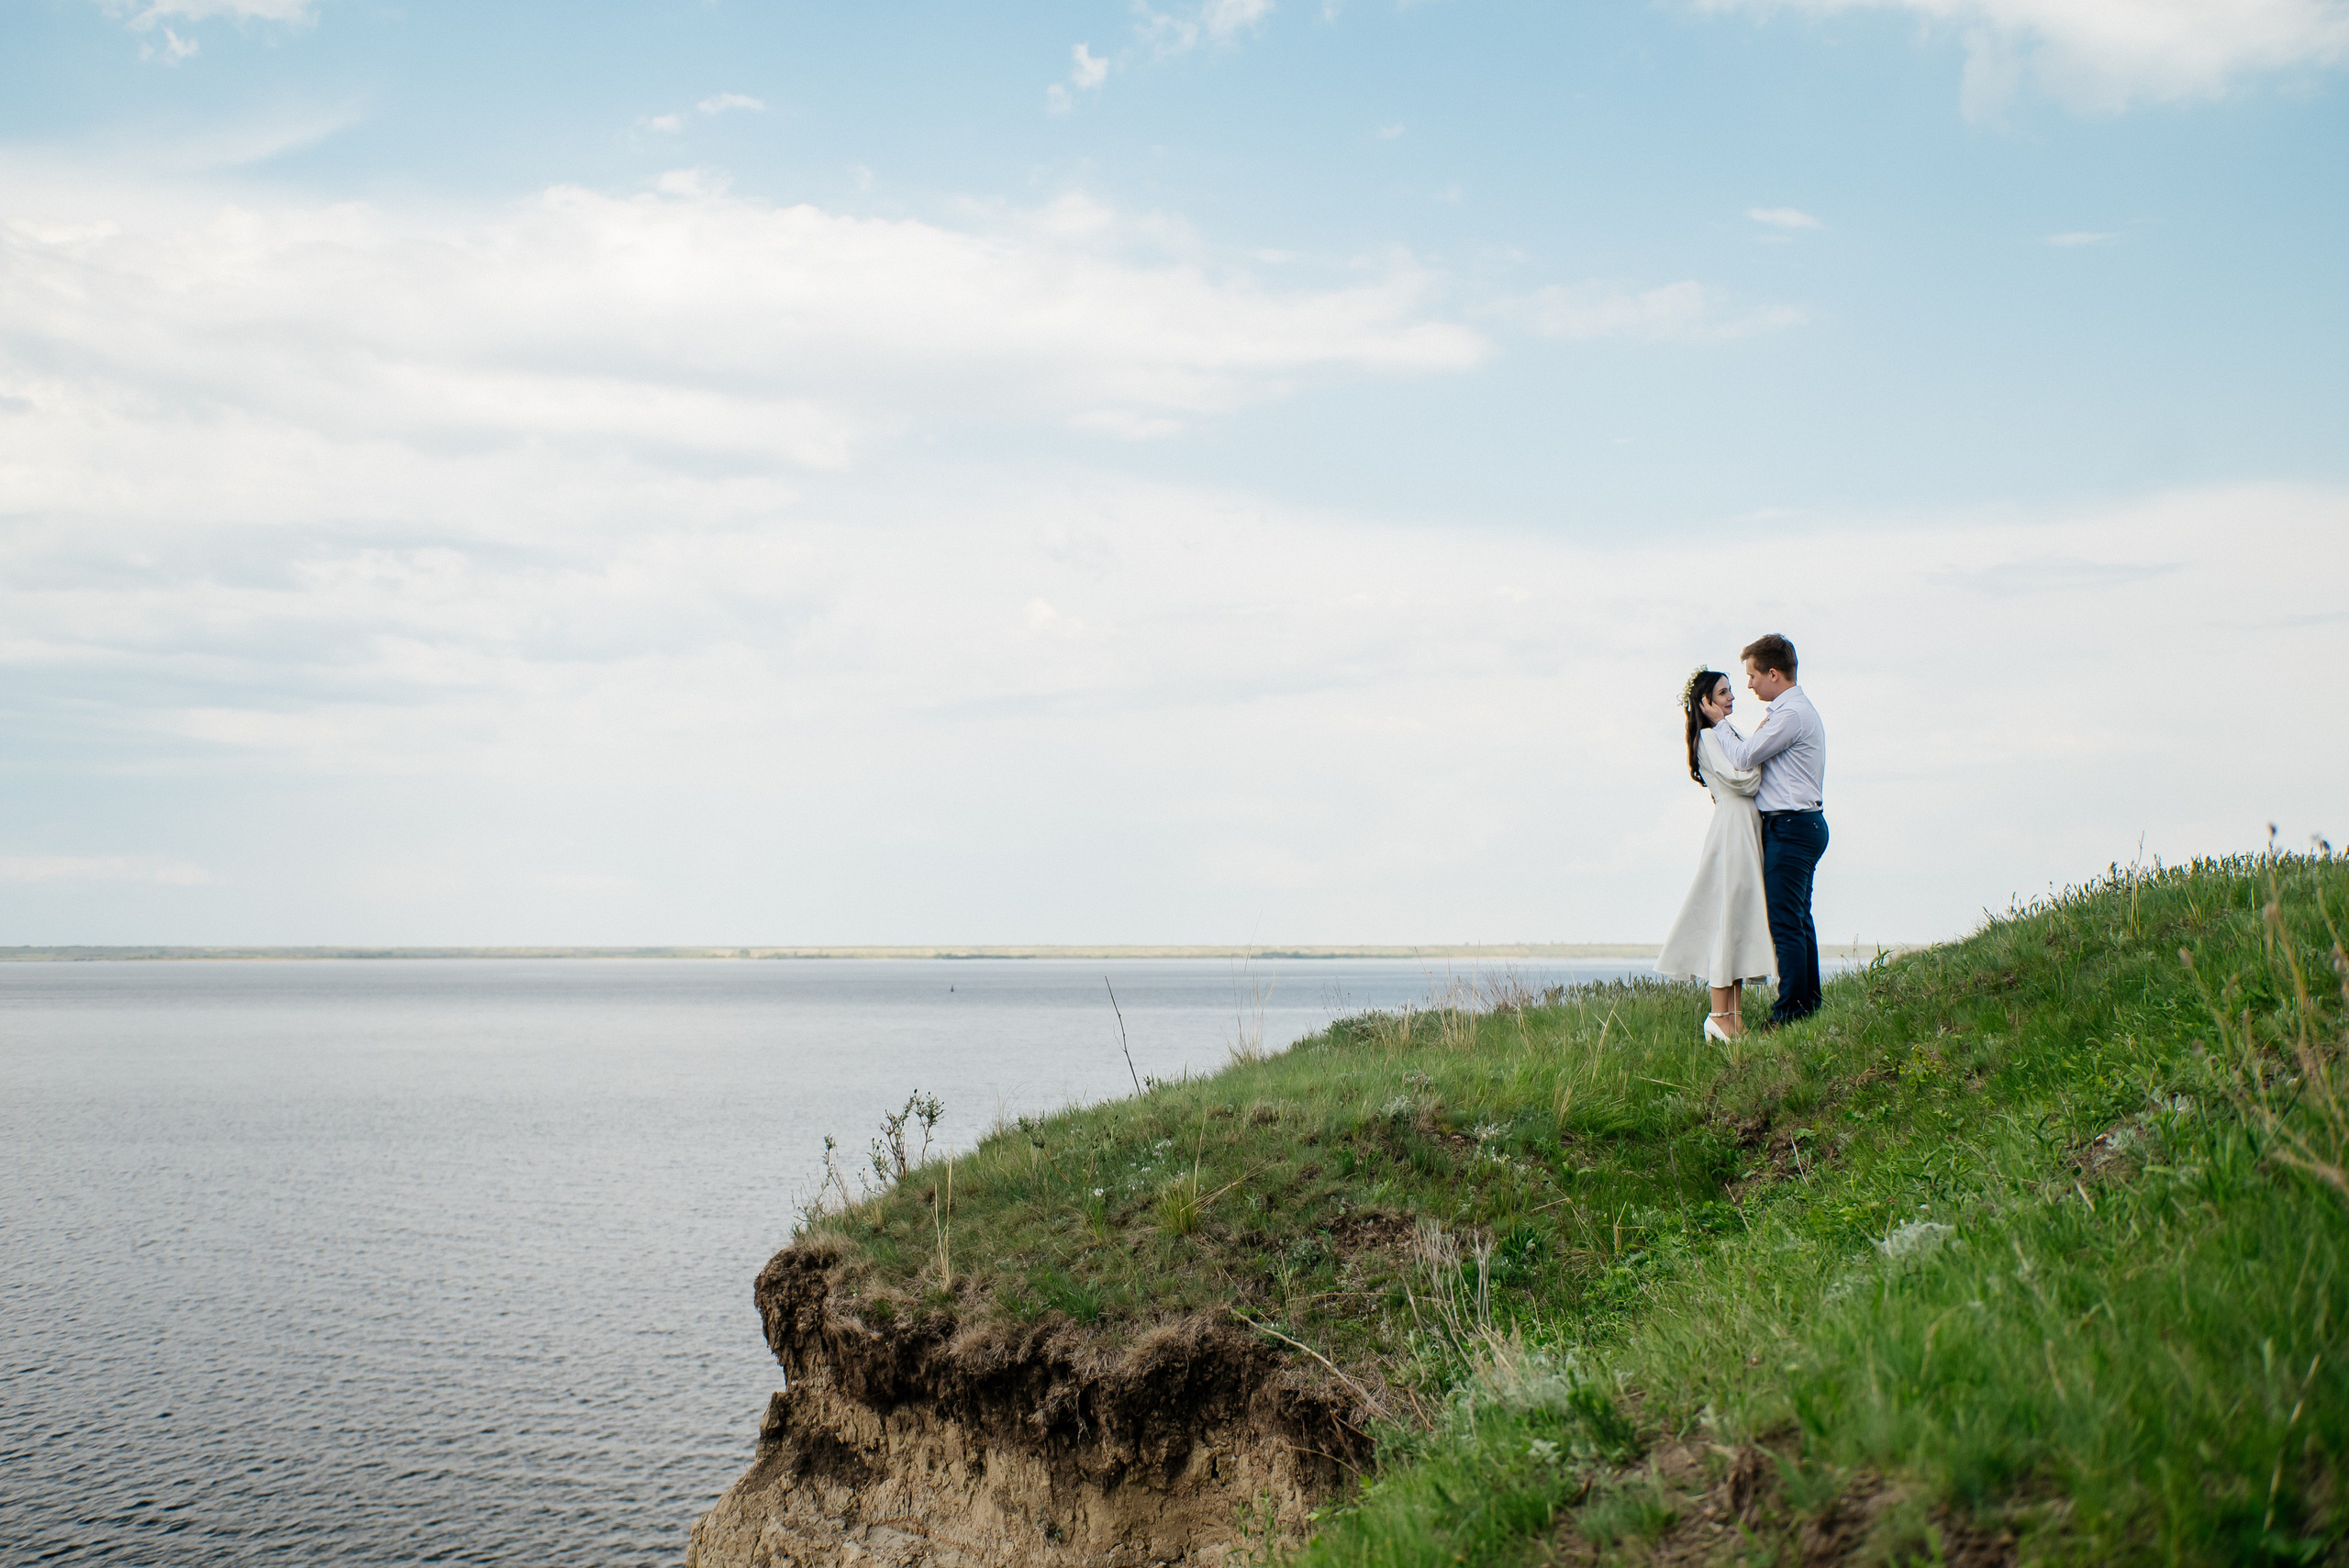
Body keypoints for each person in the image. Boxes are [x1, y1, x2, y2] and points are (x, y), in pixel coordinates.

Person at [1709, 633, 1828, 1027]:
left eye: (1753, 675)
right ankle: (1808, 1003)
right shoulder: (1789, 712)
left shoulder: (1790, 716)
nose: (1748, 685)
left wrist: (1718, 723)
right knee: (1798, 918)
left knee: (1785, 924)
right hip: (1800, 823)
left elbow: (1744, 756)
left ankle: (1789, 1013)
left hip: (1791, 826)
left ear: (1773, 674)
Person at [1656, 668, 1776, 1040]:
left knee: (1740, 918)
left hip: (1746, 828)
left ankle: (1733, 1016)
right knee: (1726, 916)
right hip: (1732, 830)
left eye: (1731, 691)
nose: (1732, 698)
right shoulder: (1708, 738)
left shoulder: (1730, 733)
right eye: (1723, 692)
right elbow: (1745, 780)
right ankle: (1719, 1014)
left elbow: (1747, 769)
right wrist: (1757, 763)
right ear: (1705, 701)